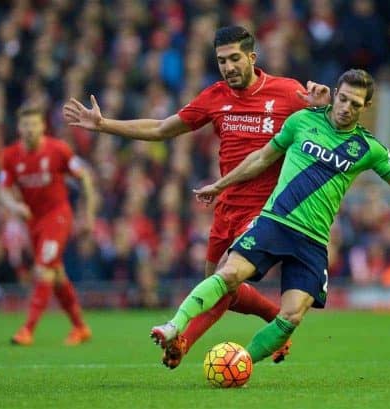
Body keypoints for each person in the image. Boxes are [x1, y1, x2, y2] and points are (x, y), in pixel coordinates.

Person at [63, 26, 330, 367]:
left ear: (252, 57)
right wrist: (104, 125)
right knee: (218, 290)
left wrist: (323, 108)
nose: (229, 67)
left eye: (235, 58)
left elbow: (327, 130)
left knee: (223, 279)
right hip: (226, 206)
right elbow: (162, 129)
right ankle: (275, 320)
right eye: (221, 61)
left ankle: (181, 340)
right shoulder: (215, 97)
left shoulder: (288, 93)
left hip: (268, 212)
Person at [150, 69, 390, 364]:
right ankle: (174, 326)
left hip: (313, 241)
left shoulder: (369, 148)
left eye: (355, 103)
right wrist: (220, 185)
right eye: (344, 99)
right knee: (228, 273)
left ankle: (240, 362)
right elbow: (260, 159)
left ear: (366, 107)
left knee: (292, 315)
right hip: (275, 222)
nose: (347, 108)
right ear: (335, 95)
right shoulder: (301, 121)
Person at [0, 104, 97, 346]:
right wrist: (14, 207)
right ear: (19, 128)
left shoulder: (58, 149)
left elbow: (83, 175)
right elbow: (2, 189)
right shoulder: (10, 156)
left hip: (58, 216)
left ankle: (27, 330)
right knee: (56, 274)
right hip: (33, 222)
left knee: (43, 269)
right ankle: (80, 327)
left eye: (34, 124)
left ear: (42, 126)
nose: (30, 129)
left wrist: (89, 213)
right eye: (25, 125)